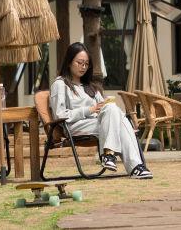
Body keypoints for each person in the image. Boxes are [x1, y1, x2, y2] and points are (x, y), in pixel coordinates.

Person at [50, 42, 153, 179]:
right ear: (69, 62)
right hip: (74, 126)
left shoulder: (90, 86)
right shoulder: (60, 84)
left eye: (86, 64)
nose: (83, 67)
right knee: (122, 123)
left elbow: (106, 109)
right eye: (79, 63)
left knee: (112, 109)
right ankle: (134, 166)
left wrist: (106, 108)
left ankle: (112, 157)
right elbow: (60, 115)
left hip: (99, 123)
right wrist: (89, 110)